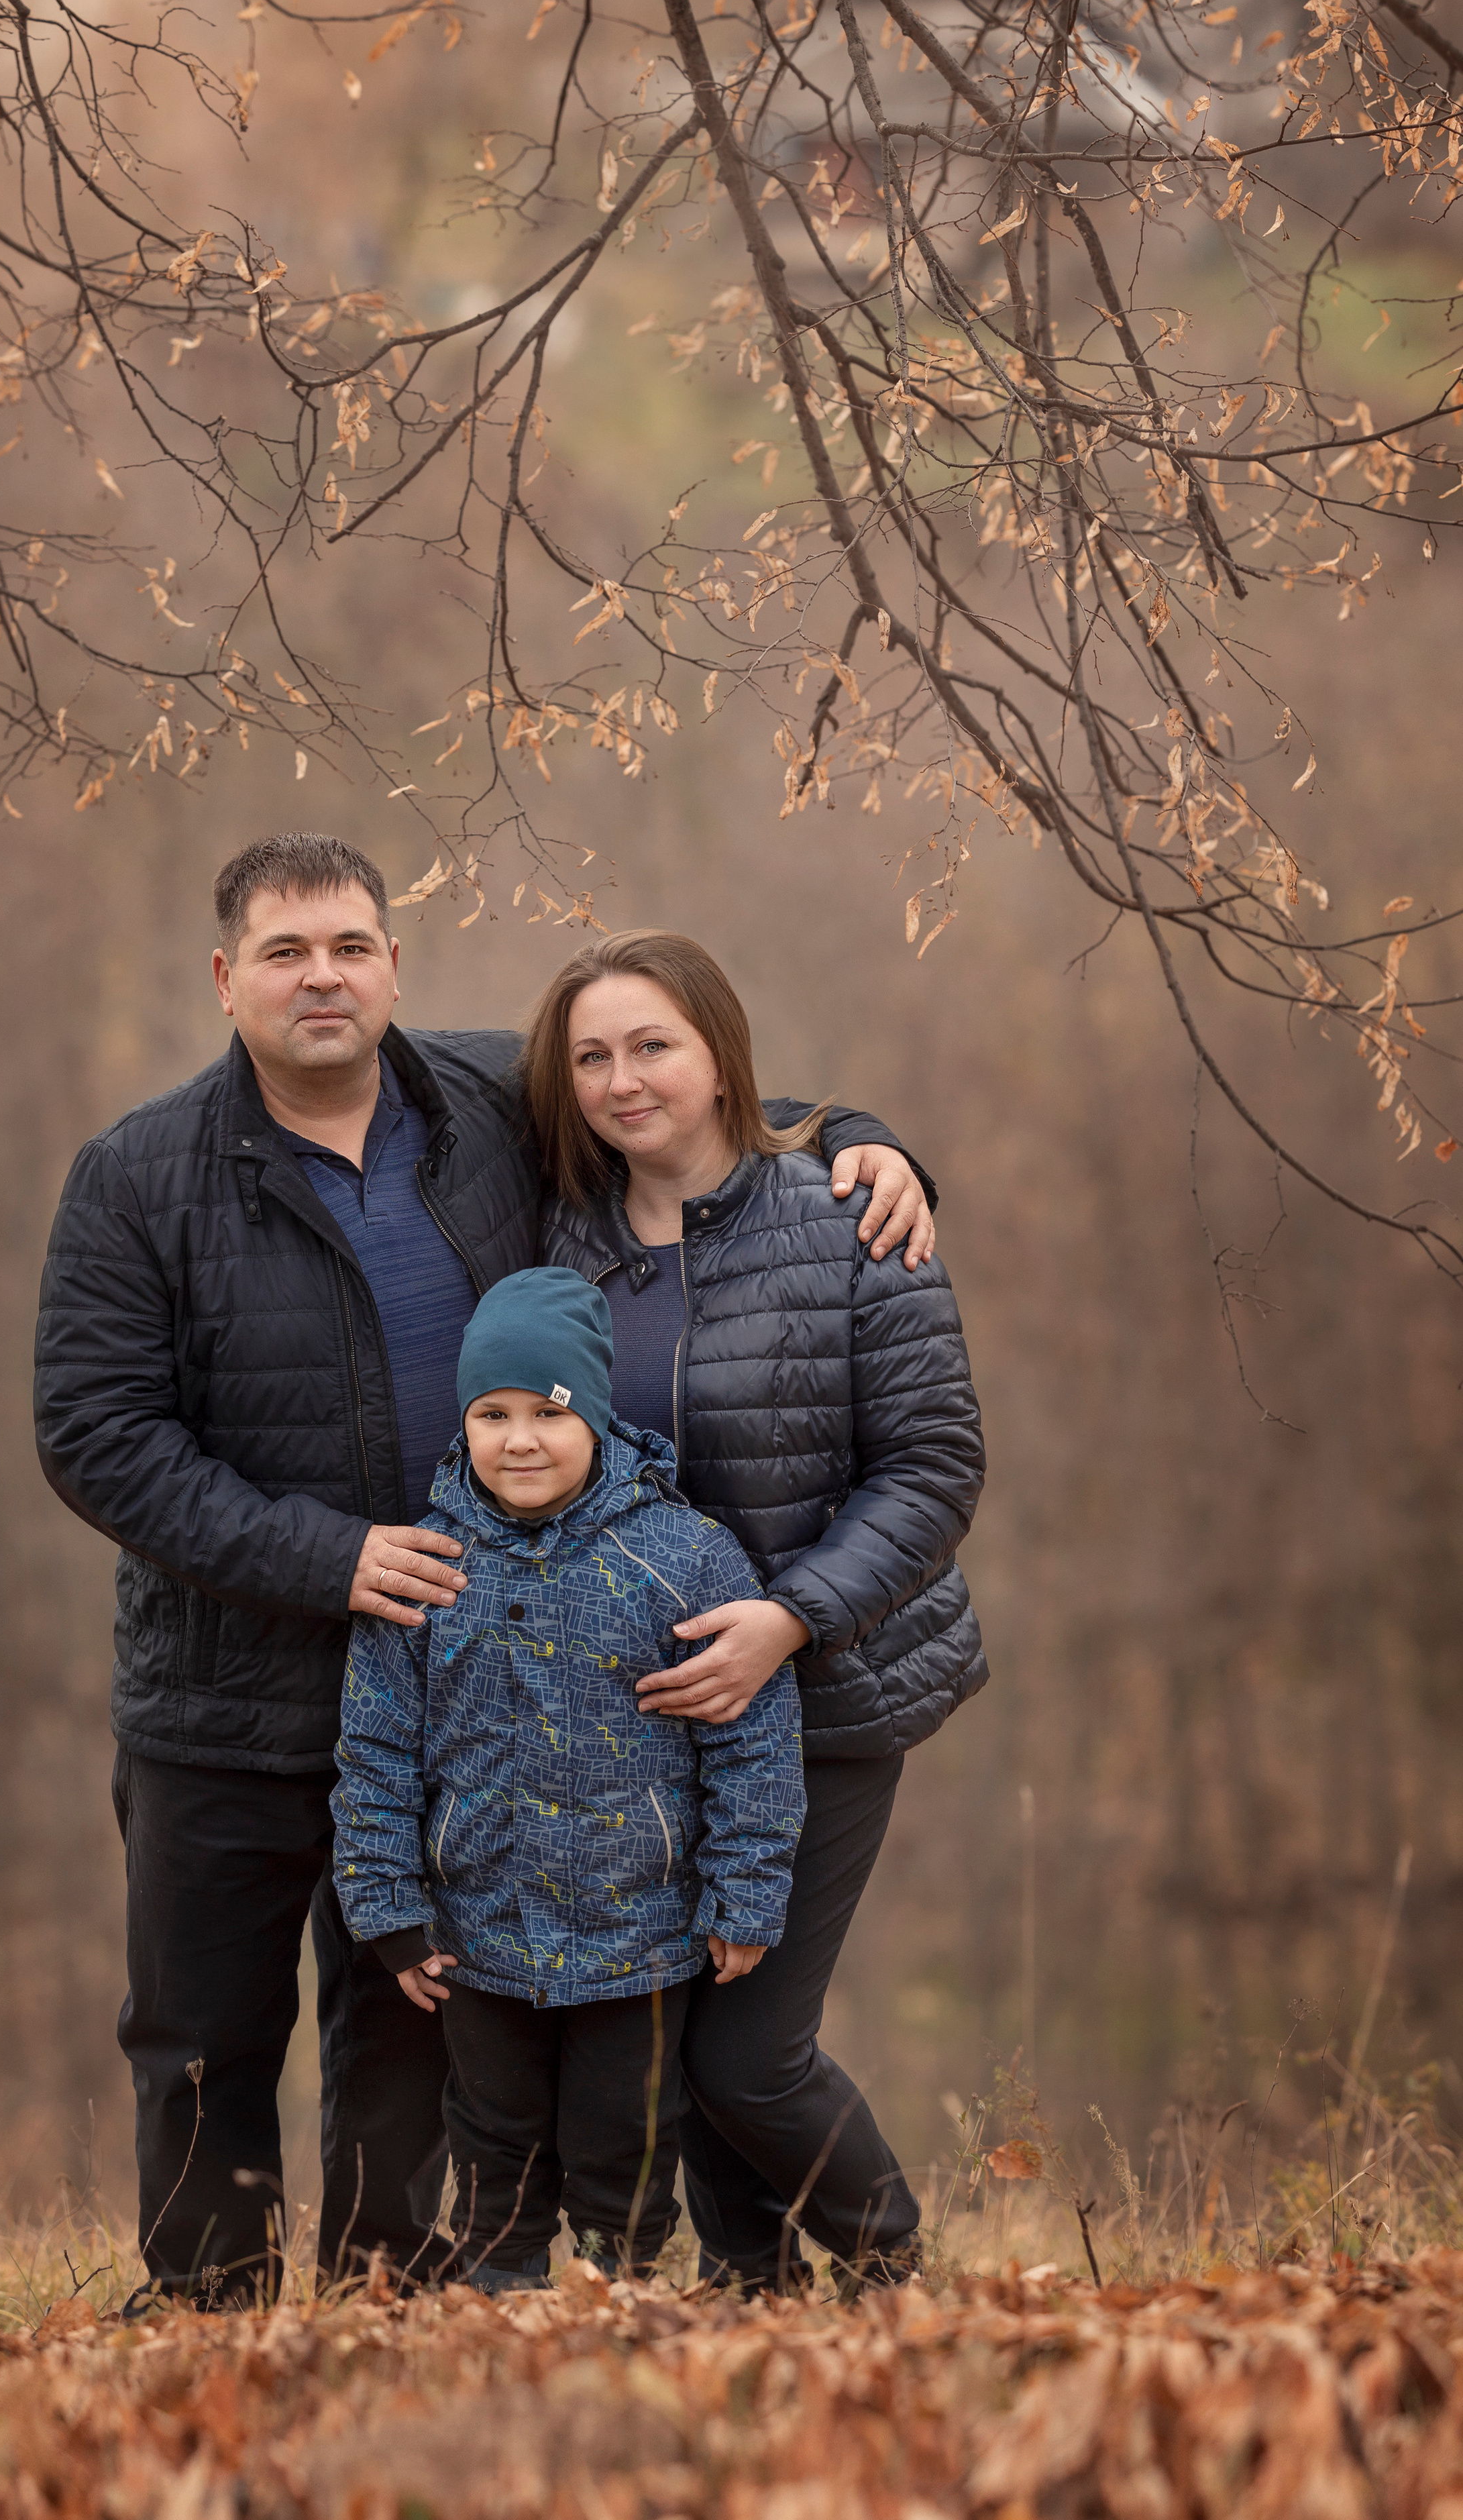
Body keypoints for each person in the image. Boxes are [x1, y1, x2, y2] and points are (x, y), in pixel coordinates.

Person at [33, 830, 935, 2303]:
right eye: (282, 952)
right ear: (223, 980)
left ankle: (388, 2291)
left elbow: (684, 1103)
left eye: (346, 947)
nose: (319, 977)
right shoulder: (137, 1177)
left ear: (392, 964)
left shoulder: (484, 1110)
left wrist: (863, 1134)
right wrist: (325, 1560)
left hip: (475, 1683)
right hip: (230, 1693)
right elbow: (93, 1435)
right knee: (202, 2027)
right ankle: (207, 2307)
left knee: (412, 2016)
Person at [529, 929, 987, 2297]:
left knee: (748, 2050)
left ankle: (896, 2274)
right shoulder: (562, 1242)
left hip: (831, 1691)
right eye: (592, 1055)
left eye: (652, 1045)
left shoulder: (849, 1218)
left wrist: (786, 1621)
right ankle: (755, 2294)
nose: (622, 1079)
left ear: (721, 1057)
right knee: (682, 2029)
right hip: (651, 1712)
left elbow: (933, 1467)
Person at [331, 1269, 804, 2291]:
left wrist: (747, 1894)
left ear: (594, 1415)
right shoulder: (429, 1565)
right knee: (492, 2137)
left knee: (623, 2138)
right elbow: (373, 1755)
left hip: (642, 1936)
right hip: (478, 1935)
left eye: (548, 1412)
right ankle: (502, 2296)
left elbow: (754, 1744)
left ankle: (615, 2292)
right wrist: (387, 1910)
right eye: (492, 1414)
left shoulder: (684, 1557)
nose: (520, 1440)